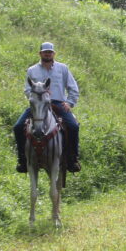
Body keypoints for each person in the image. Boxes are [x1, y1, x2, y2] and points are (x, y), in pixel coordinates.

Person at [13, 41, 81, 173]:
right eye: (45, 52)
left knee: (73, 126)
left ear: (54, 54)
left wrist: (69, 103)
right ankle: (22, 160)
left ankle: (73, 159)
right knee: (17, 127)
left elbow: (73, 88)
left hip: (58, 103)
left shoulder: (63, 68)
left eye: (50, 52)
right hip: (38, 104)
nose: (48, 54)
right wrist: (39, 94)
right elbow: (27, 89)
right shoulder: (32, 70)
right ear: (40, 53)